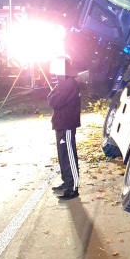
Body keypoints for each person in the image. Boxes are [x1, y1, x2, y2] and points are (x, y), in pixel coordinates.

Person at [47, 57, 81, 200]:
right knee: (63, 155)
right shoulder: (63, 83)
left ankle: (72, 187)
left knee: (69, 155)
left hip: (66, 124)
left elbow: (54, 101)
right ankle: (66, 182)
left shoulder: (68, 84)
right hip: (61, 124)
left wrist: (54, 92)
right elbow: (52, 99)